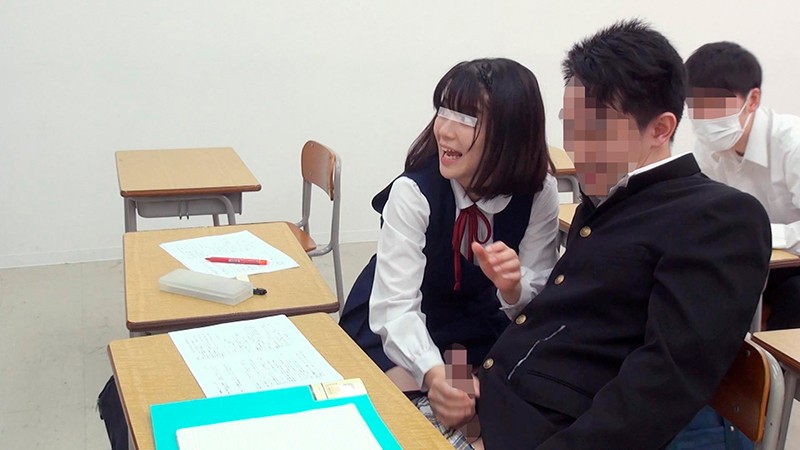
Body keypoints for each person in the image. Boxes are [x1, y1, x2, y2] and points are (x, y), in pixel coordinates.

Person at [474, 20, 771, 449]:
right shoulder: (606, 200)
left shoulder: (719, 217)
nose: (575, 146)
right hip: (490, 408)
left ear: (661, 129)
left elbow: (663, 381)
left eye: (595, 129)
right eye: (569, 126)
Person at [338, 58, 559, 446]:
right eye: (443, 110)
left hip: (477, 325)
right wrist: (433, 373)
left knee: (488, 409)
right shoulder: (413, 192)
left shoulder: (538, 192)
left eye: (466, 119)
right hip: (405, 320)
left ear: (511, 132)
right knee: (395, 408)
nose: (444, 130)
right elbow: (396, 308)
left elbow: (536, 299)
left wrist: (513, 289)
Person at [686, 41, 800, 330]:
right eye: (694, 105)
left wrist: (759, 234)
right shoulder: (708, 145)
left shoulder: (793, 143)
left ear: (752, 100)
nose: (704, 117)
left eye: (716, 104)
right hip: (745, 261)